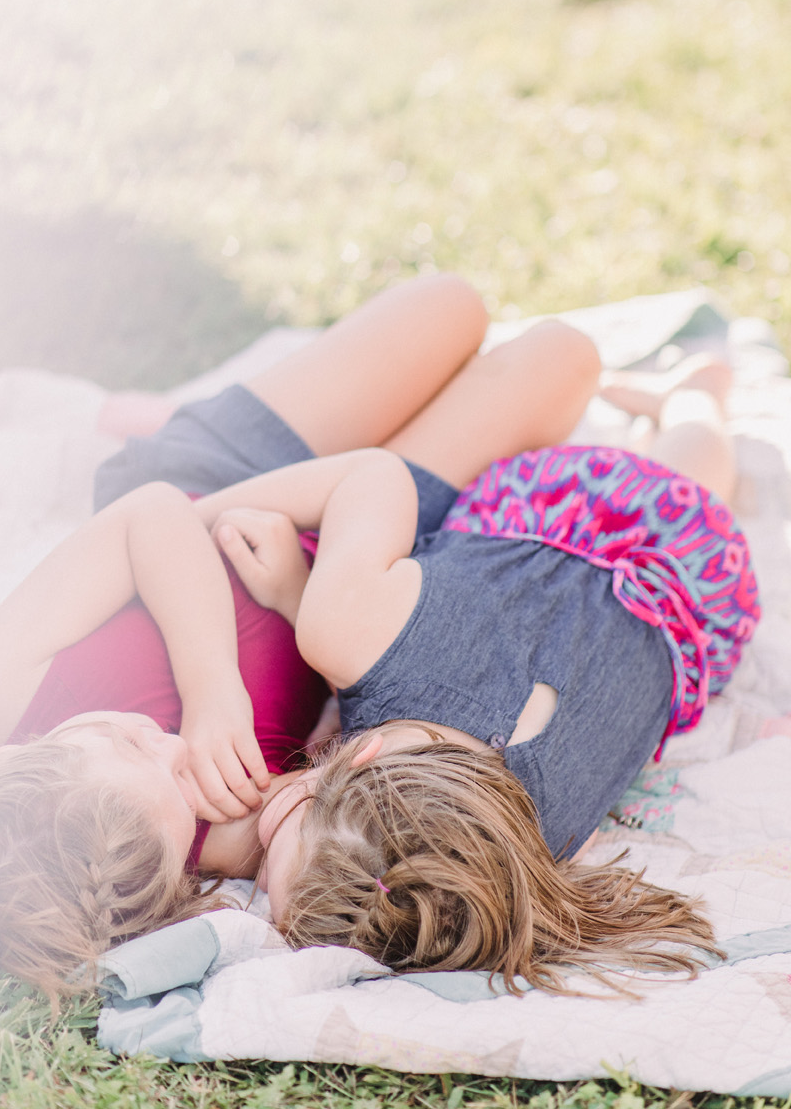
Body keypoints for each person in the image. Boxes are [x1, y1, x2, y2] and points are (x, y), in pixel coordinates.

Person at [206, 356, 758, 992]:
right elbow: (373, 474)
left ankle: (691, 406)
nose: (267, 803)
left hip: (690, 580)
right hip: (592, 518)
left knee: (699, 469)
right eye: (280, 817)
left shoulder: (533, 849)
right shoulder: (353, 631)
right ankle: (694, 396)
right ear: (363, 757)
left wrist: (294, 596)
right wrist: (286, 585)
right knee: (686, 460)